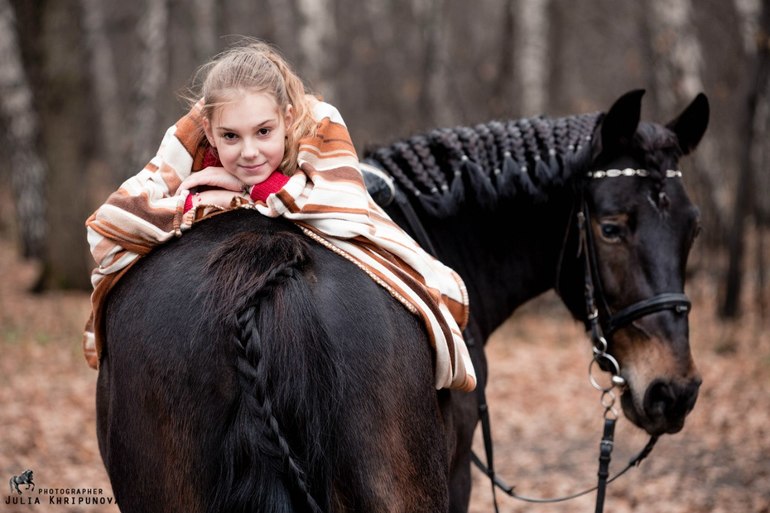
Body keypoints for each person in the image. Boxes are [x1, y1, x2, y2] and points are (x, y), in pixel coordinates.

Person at [84, 39, 475, 392]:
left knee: (418, 275)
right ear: (208, 127)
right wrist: (192, 205)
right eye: (231, 137)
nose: (249, 152)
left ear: (287, 119)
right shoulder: (189, 141)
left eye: (264, 132)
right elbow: (109, 224)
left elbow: (344, 211)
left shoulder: (321, 122)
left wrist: (243, 189)